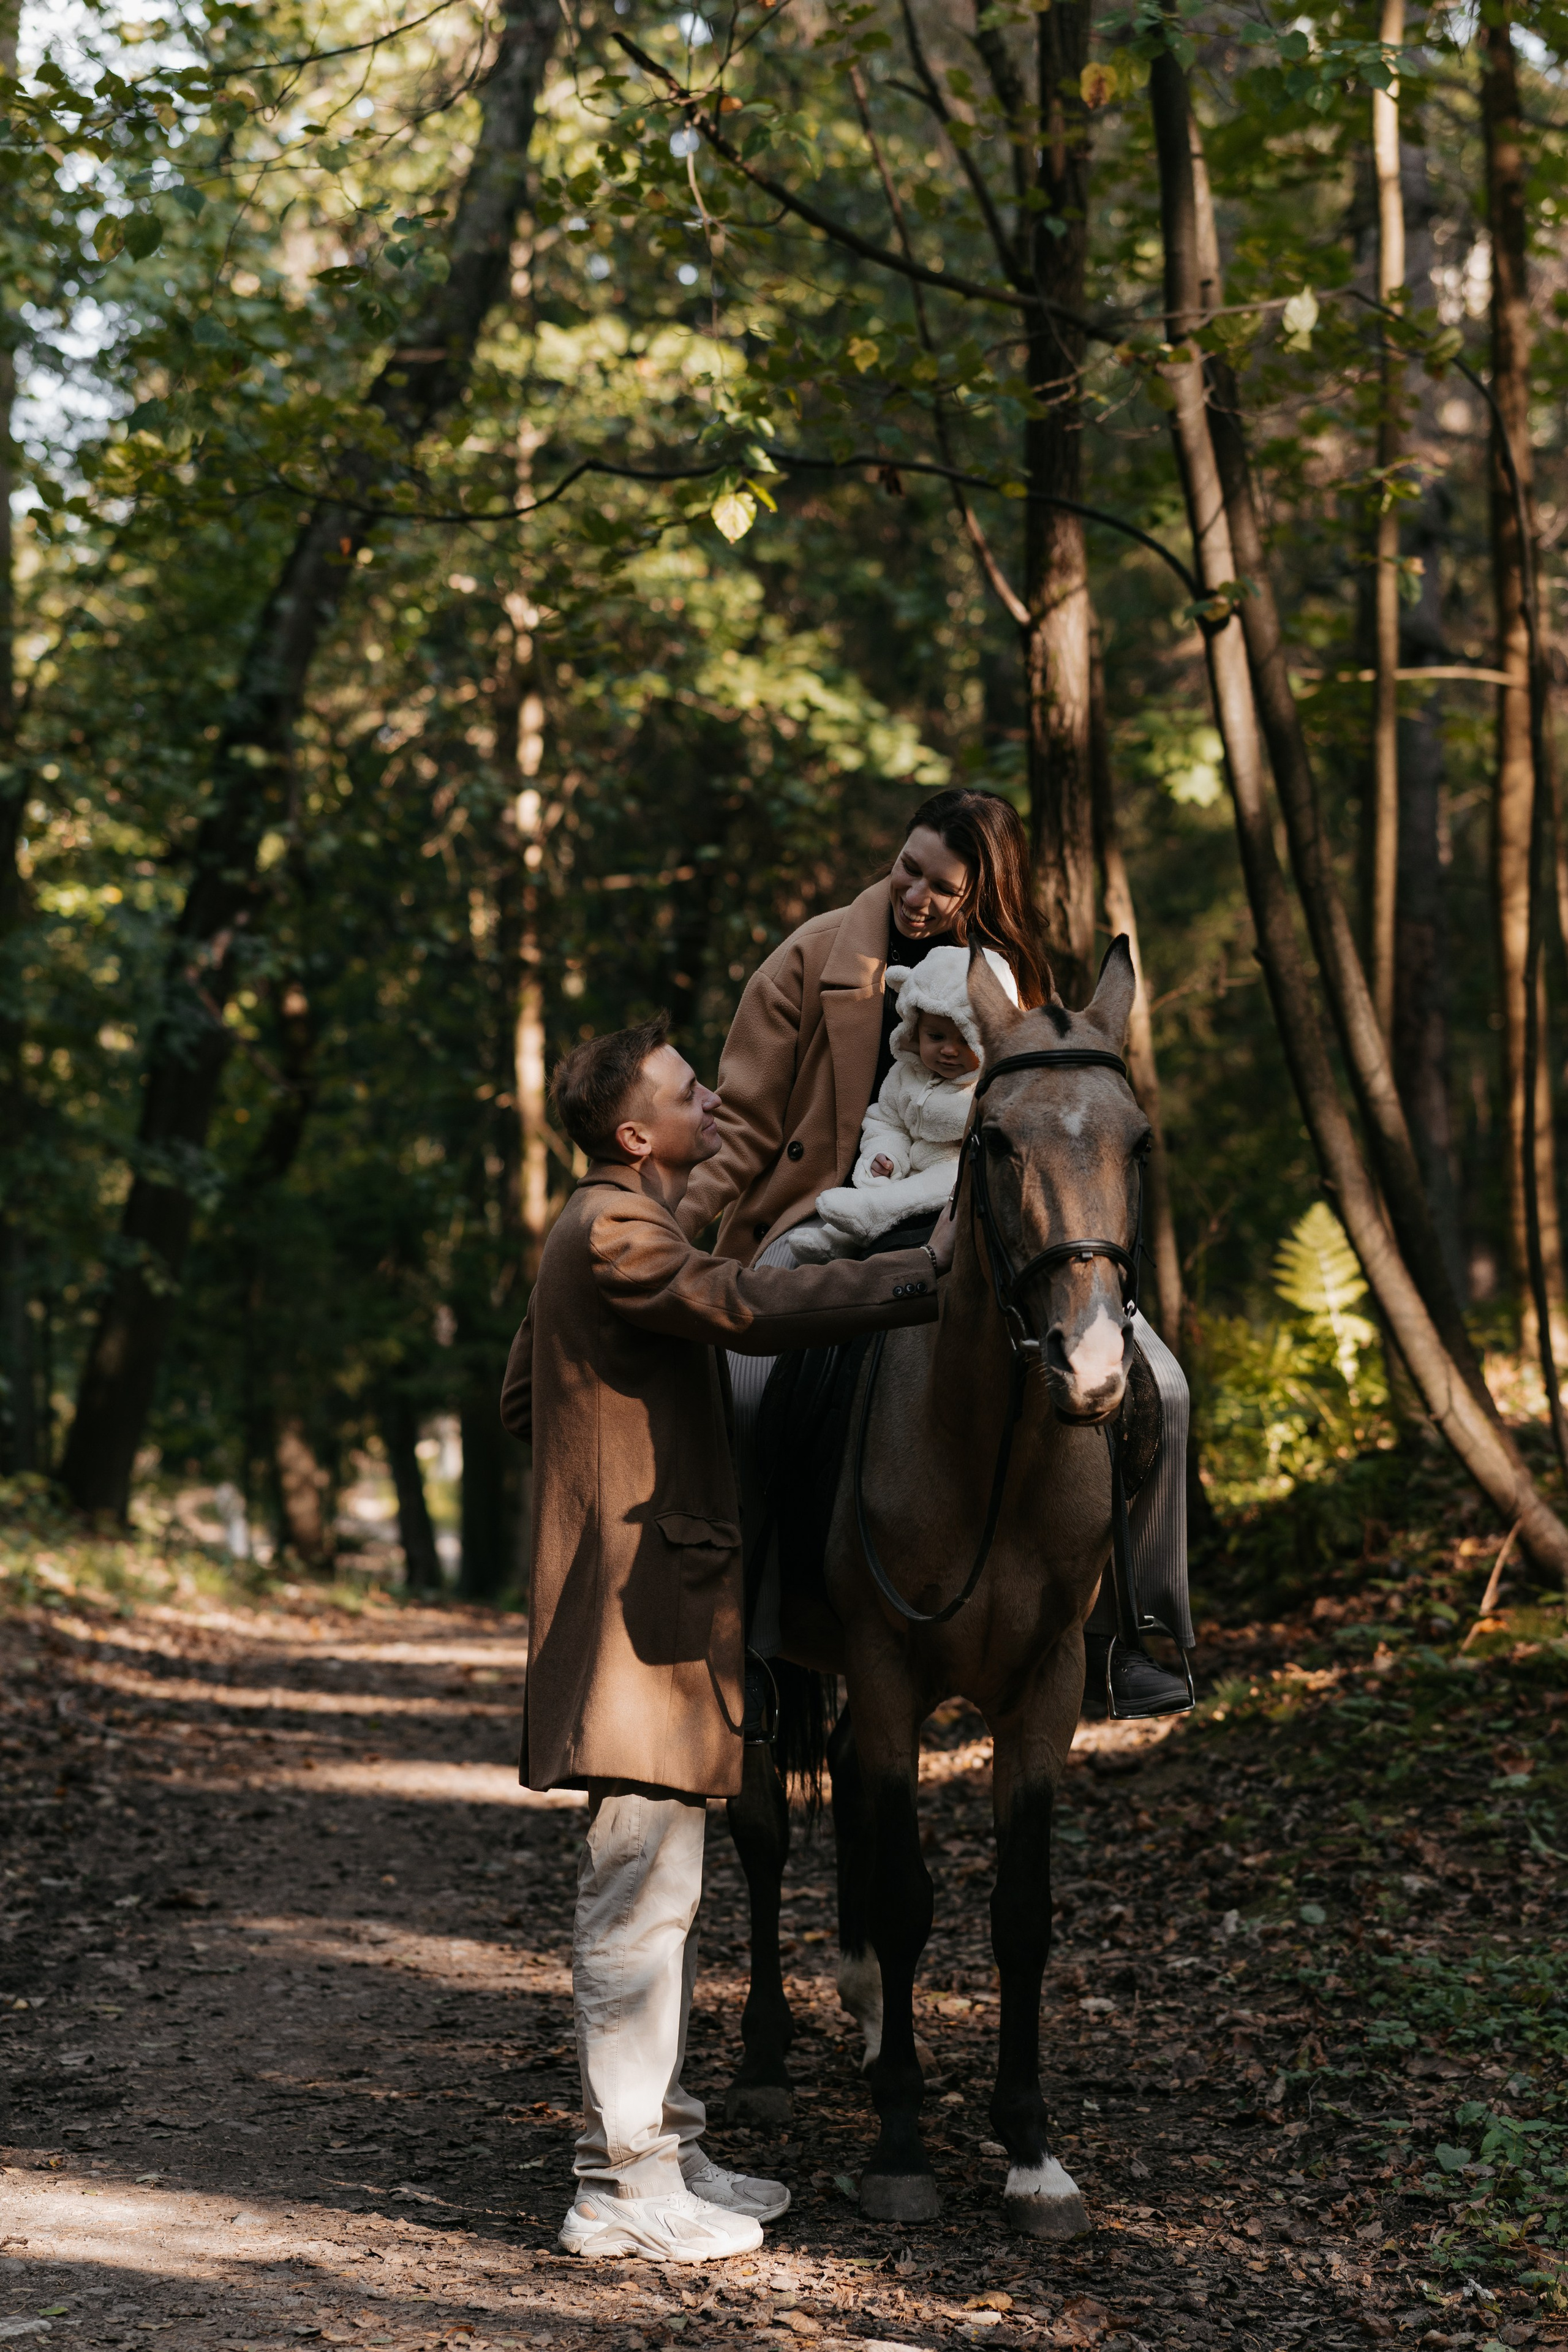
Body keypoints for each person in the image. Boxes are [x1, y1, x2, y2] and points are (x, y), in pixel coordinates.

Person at [499, 1014, 954, 2265]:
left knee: (665, 1893)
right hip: (637, 1622)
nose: (712, 1095)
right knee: (638, 1908)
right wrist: (927, 1275)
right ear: (637, 1133)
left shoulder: (590, 1231)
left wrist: (612, 1453)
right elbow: (746, 1307)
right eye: (687, 1088)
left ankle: (664, 2143)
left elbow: (522, 1394)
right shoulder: (620, 1227)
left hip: (646, 1607)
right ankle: (615, 2185)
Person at [678, 786, 1194, 1720]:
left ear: (982, 893)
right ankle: (746, 1642)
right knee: (741, 1392)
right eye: (907, 867)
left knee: (1163, 1385)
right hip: (832, 1213)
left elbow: (1063, 1135)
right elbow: (747, 1124)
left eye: (941, 887)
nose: (913, 894)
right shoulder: (812, 957)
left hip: (989, 1231)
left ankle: (1126, 1634)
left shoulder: (1022, 984)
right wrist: (672, 1230)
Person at [788, 944, 1017, 1261]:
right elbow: (886, 1121)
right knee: (881, 1187)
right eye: (936, 1037)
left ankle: (870, 1214)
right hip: (909, 1169)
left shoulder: (990, 1087)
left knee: (936, 1183)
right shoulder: (905, 1074)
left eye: (965, 1039)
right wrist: (887, 1156)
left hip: (956, 1177)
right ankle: (835, 1241)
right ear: (915, 1030)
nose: (949, 1051)